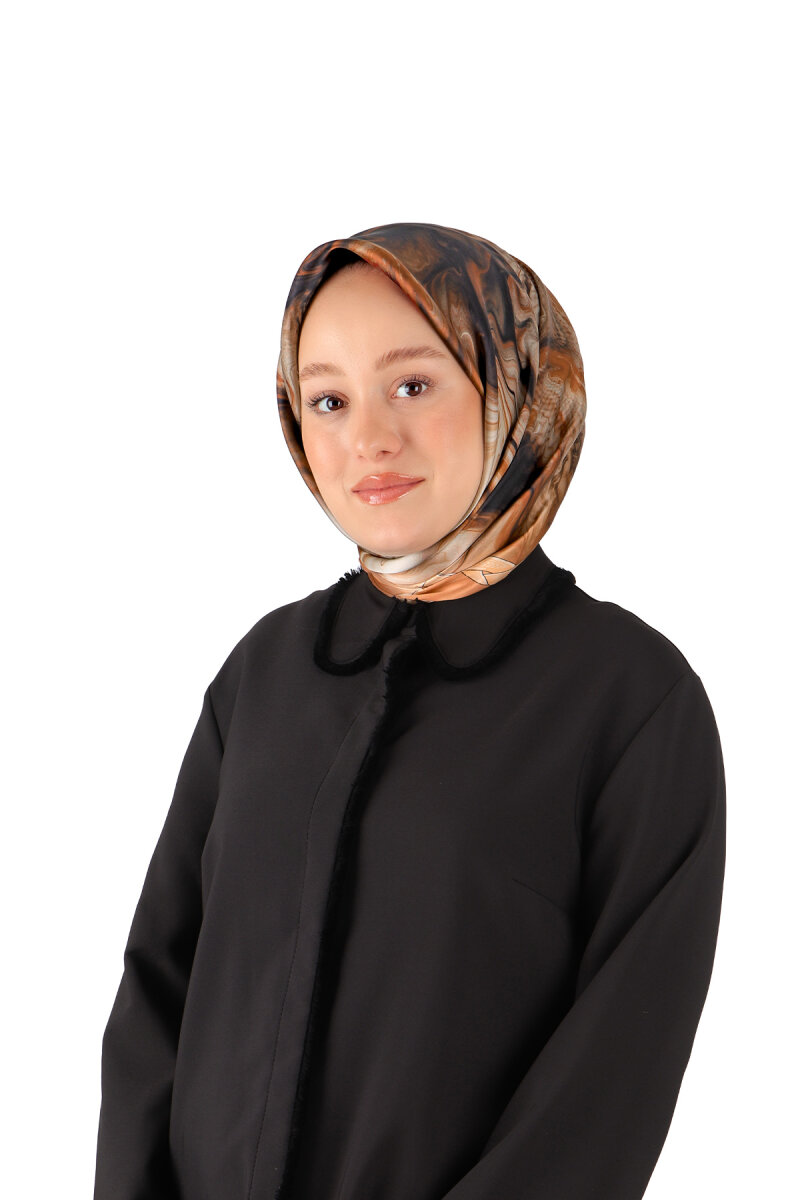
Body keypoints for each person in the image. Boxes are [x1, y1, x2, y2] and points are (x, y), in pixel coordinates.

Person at [93, 221, 726, 1200]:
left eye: (414, 385)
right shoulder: (265, 672)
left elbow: (609, 1083)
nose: (368, 439)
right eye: (328, 399)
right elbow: (157, 994)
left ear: (514, 386)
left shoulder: (629, 698)